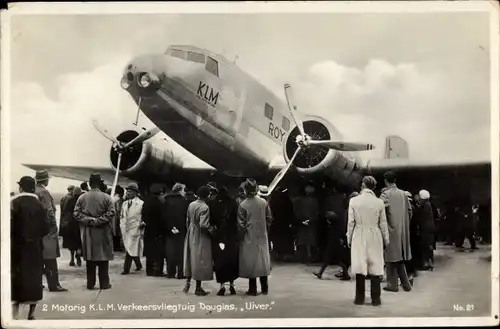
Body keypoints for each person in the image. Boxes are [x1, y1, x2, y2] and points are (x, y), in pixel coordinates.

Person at [347, 176, 389, 306]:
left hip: (359, 233)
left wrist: (349, 238)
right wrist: (385, 240)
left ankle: (359, 298)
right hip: (375, 233)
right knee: (375, 265)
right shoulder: (379, 202)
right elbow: (383, 224)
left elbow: (351, 222)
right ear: (374, 187)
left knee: (360, 265)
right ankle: (376, 299)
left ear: (363, 185)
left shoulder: (353, 201)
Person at [11, 176, 49, 320]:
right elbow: (46, 228)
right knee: (34, 280)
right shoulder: (39, 204)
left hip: (16, 249)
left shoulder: (14, 203)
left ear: (21, 188)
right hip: (34, 249)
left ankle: (14, 315)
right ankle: (31, 313)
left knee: (16, 279)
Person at [73, 173, 115, 290]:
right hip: (103, 232)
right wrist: (99, 220)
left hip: (88, 232)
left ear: (90, 183)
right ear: (100, 183)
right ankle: (104, 283)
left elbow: (76, 214)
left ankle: (90, 283)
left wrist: (89, 220)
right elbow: (111, 212)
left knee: (90, 259)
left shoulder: (82, 197)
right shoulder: (107, 197)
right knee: (103, 259)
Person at [238, 178, 273, 296]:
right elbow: (269, 219)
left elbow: (241, 225)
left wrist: (241, 237)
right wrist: (265, 229)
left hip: (249, 237)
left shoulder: (243, 205)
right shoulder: (264, 203)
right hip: (262, 236)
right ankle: (265, 288)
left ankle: (252, 289)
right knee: (263, 261)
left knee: (251, 262)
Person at [35, 169, 67, 292]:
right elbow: (49, 212)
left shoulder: (34, 191)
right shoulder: (44, 192)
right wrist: (54, 229)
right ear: (45, 180)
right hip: (47, 231)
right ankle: (54, 285)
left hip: (36, 231)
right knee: (50, 260)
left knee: (38, 260)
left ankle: (38, 283)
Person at [379, 171, 412, 292]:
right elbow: (410, 211)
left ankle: (392, 285)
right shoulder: (404, 194)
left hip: (390, 230)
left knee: (390, 259)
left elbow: (379, 210)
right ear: (395, 180)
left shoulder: (385, 195)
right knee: (399, 258)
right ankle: (406, 284)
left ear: (386, 181)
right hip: (403, 230)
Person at [183, 185, 216, 296]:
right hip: (200, 235)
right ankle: (198, 287)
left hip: (191, 232)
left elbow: (187, 220)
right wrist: (213, 231)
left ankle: (187, 283)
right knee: (200, 259)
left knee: (190, 258)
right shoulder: (204, 207)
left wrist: (189, 230)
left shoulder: (191, 204)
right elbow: (203, 225)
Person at [314, 187, 350, 281]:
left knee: (330, 259)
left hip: (333, 243)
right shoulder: (337, 221)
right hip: (335, 243)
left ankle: (321, 273)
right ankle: (344, 274)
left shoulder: (333, 223)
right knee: (335, 260)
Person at [211, 186, 240, 296]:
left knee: (220, 261)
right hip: (231, 236)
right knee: (232, 261)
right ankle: (232, 285)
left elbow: (211, 220)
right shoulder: (233, 203)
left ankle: (222, 286)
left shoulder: (213, 203)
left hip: (219, 237)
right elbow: (237, 220)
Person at [164, 183, 189, 279]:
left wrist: (171, 227)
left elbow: (164, 216)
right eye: (183, 190)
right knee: (181, 252)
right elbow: (184, 216)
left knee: (170, 251)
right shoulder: (184, 202)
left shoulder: (166, 200)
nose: (184, 192)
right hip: (181, 229)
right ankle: (181, 273)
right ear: (180, 190)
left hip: (170, 230)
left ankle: (170, 272)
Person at [120, 183, 145, 274]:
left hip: (136, 228)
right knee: (130, 248)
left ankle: (126, 269)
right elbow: (122, 216)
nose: (128, 193)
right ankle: (138, 264)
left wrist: (142, 224)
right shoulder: (124, 204)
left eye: (130, 192)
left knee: (130, 248)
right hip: (126, 229)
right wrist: (121, 226)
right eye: (127, 192)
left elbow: (143, 216)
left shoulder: (141, 203)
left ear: (135, 193)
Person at [142, 184, 166, 276]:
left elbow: (143, 215)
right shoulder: (159, 203)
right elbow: (162, 218)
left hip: (148, 230)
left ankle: (149, 270)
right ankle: (158, 270)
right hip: (157, 231)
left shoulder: (146, 202)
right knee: (158, 252)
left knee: (149, 252)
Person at [292, 184, 320, 263]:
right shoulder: (314, 201)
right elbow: (316, 212)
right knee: (311, 240)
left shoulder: (299, 200)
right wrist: (310, 220)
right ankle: (310, 255)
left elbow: (296, 211)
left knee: (302, 240)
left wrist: (302, 221)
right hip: (311, 223)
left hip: (302, 222)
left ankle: (303, 256)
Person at [60, 187, 84, 267]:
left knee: (71, 243)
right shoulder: (82, 200)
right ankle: (78, 253)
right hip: (79, 223)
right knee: (79, 241)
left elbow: (65, 212)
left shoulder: (70, 200)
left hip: (71, 224)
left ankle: (72, 259)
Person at [415, 190, 436, 270]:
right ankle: (430, 263)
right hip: (429, 228)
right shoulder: (428, 205)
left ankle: (427, 263)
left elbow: (420, 216)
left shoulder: (425, 206)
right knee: (428, 246)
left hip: (426, 229)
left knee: (426, 246)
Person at [112, 185, 125, 252]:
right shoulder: (119, 200)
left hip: (112, 218)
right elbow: (119, 210)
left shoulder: (113, 198)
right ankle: (117, 246)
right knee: (117, 233)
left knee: (114, 233)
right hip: (117, 218)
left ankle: (114, 246)